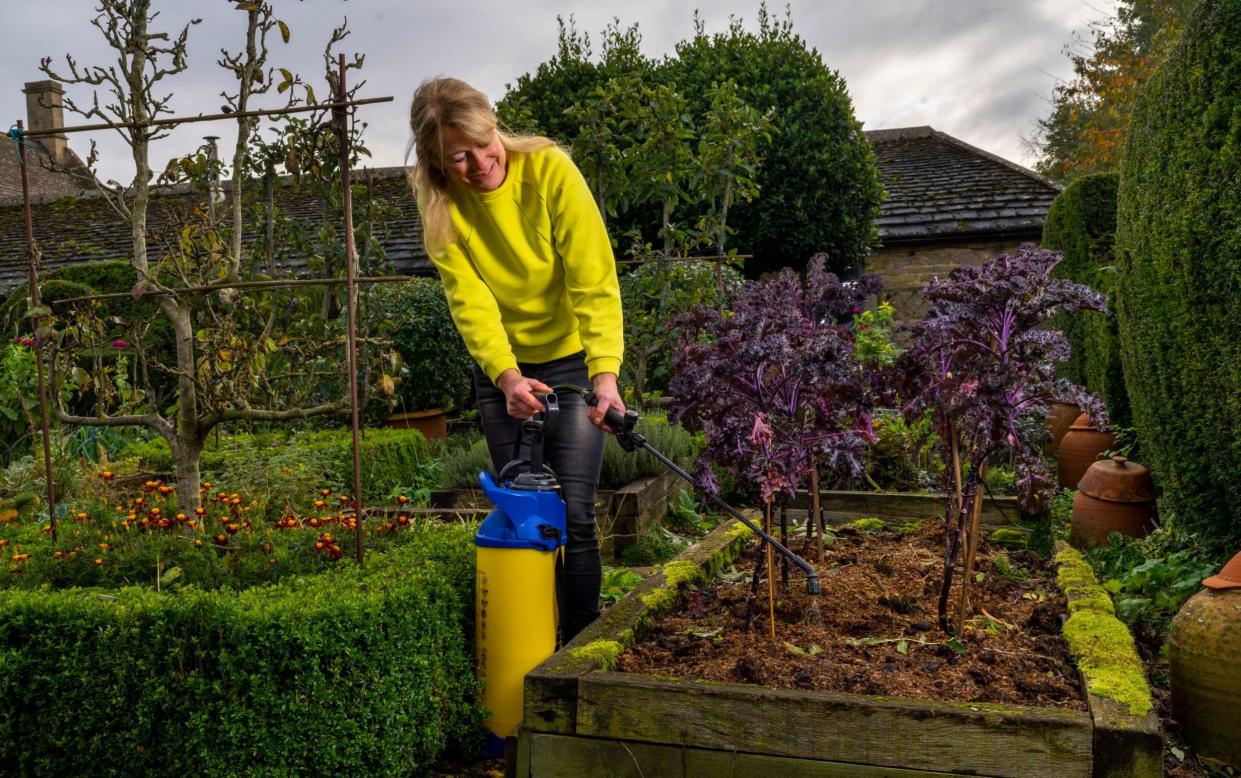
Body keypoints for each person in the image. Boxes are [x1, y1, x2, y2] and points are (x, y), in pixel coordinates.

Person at [407, 76, 625, 643]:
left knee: (574, 515)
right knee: (525, 518)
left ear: (495, 126)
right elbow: (471, 303)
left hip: (572, 360)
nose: (481, 163)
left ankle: (575, 652)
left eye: (485, 144)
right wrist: (505, 376)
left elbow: (592, 275)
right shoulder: (442, 209)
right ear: (435, 162)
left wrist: (605, 373)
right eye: (460, 156)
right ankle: (527, 643)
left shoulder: (549, 170)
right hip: (504, 371)